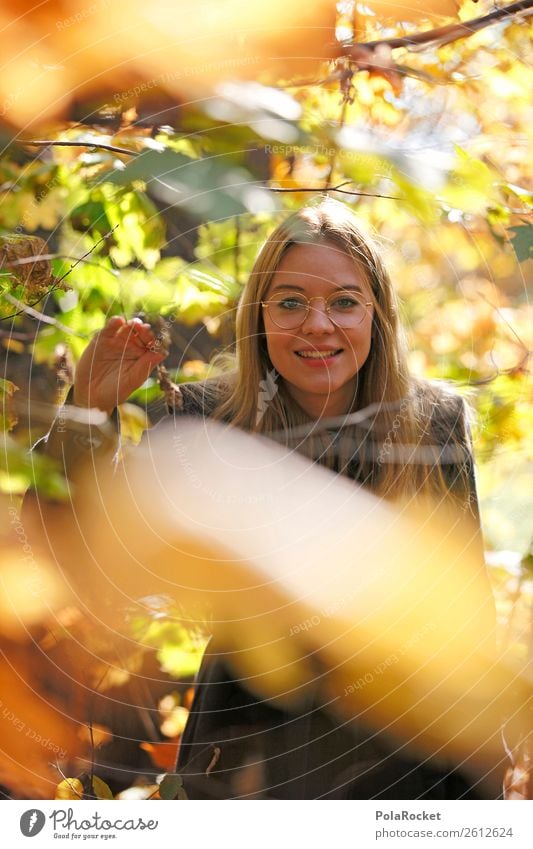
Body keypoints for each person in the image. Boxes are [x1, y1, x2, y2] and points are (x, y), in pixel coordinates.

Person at [34, 199, 501, 799]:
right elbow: (78, 547)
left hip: (409, 756)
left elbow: (467, 613)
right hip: (243, 749)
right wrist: (88, 413)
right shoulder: (207, 418)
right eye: (290, 303)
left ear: (377, 315)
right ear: (258, 317)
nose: (317, 324)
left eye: (343, 301)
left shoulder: (435, 422)